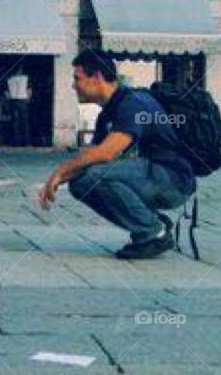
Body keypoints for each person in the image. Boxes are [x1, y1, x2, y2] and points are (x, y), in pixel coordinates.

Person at [38, 50, 196, 260]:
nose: (73, 85)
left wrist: (60, 171)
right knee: (81, 183)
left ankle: (153, 232)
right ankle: (151, 223)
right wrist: (57, 181)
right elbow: (91, 158)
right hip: (151, 176)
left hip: (173, 180)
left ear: (97, 77)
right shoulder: (108, 113)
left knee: (96, 175)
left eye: (77, 78)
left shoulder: (132, 104)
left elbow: (106, 152)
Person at [7, 70, 31, 147]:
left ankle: (16, 142)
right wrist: (28, 99)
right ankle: (26, 142)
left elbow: (6, 92)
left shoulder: (10, 79)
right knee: (24, 122)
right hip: (23, 100)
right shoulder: (26, 78)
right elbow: (29, 90)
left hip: (13, 100)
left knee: (15, 122)